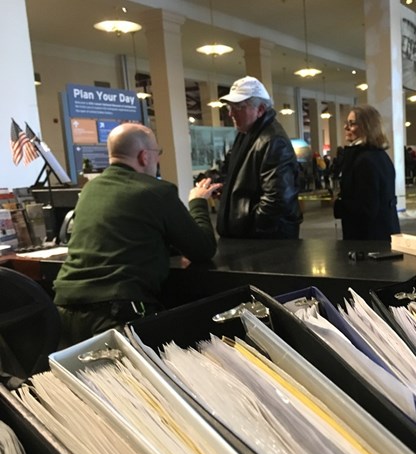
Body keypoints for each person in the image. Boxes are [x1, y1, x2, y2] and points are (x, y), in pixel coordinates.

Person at [53, 123, 218, 348]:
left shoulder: (90, 190)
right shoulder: (156, 191)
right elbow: (203, 249)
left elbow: (125, 234)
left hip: (63, 311)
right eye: (156, 154)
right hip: (117, 311)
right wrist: (198, 201)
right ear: (144, 156)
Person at [216, 76, 302, 239]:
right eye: (230, 107)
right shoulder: (247, 133)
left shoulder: (273, 140)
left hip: (266, 242)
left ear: (261, 109)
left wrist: (250, 228)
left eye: (238, 107)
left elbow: (277, 200)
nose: (230, 113)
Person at [333, 104, 400, 241]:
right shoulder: (379, 155)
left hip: (368, 238)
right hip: (383, 232)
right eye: (346, 123)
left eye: (351, 124)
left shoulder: (364, 160)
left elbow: (366, 207)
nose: (346, 127)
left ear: (366, 127)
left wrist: (339, 205)